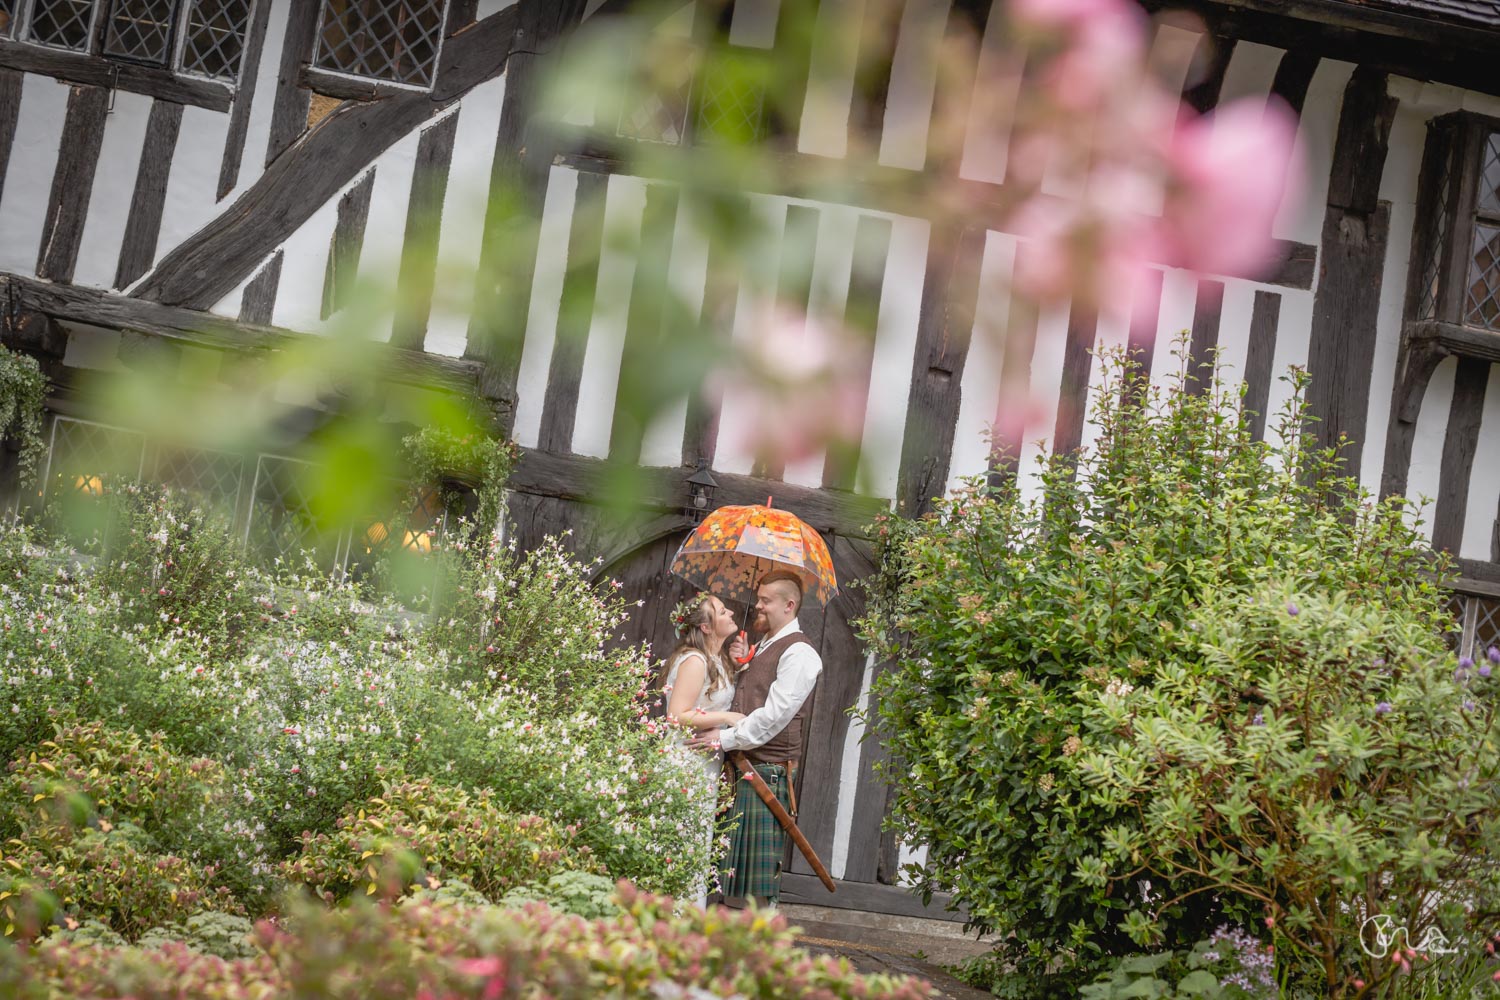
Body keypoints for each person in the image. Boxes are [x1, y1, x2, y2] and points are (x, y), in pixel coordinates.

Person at [690, 570, 822, 909]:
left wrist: (725, 738)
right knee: (724, 875)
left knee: (753, 891)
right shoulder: (765, 645)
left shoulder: (801, 654)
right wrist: (743, 664)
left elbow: (773, 718)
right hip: (741, 770)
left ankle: (755, 950)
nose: (758, 606)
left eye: (766, 601)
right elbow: (754, 696)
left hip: (764, 772)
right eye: (759, 598)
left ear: (789, 605)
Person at [659, 592, 745, 905]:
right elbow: (677, 715)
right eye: (722, 611)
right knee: (681, 847)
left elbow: (709, 699)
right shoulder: (695, 661)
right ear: (707, 627)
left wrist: (740, 661)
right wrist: (728, 717)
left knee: (695, 846)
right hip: (685, 766)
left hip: (704, 766)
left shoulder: (717, 660)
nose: (731, 611)